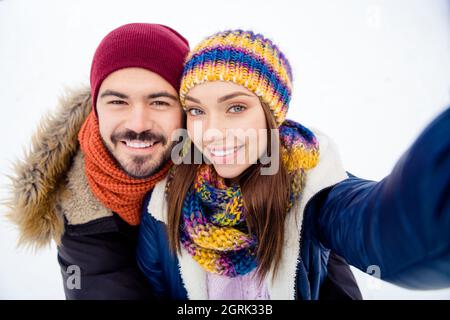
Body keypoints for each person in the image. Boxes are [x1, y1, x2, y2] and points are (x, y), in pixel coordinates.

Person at [136, 29, 450, 299]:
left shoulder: (312, 188)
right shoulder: (164, 205)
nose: (212, 132)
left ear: (272, 116)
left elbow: (384, 228)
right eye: (196, 111)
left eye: (235, 107)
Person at [6, 23, 190, 299]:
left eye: (159, 102)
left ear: (186, 111)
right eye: (118, 102)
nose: (138, 124)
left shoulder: (225, 170)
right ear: (96, 110)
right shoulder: (78, 212)